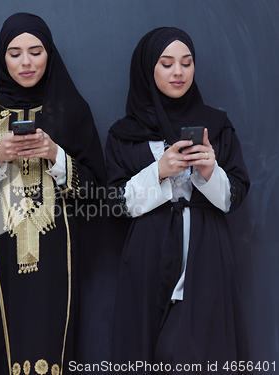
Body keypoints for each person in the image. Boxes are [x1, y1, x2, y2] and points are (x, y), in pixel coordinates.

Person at [0, 12, 106, 375]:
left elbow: (98, 194)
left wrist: (55, 155)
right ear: (2, 56)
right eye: (15, 53)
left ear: (50, 54)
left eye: (35, 51)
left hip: (58, 257)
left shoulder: (72, 109)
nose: (26, 62)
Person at [105, 27, 250, 374]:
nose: (178, 72)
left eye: (186, 63)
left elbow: (234, 196)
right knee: (145, 349)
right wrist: (159, 171)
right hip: (147, 254)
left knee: (202, 353)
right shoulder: (125, 134)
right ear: (148, 69)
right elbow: (113, 203)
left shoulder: (216, 126)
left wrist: (208, 171)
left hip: (206, 252)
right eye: (166, 63)